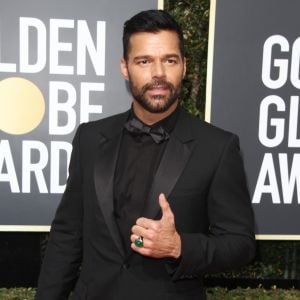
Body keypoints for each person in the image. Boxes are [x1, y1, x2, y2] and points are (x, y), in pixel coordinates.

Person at [36, 9, 255, 300]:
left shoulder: (217, 146)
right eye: (144, 61)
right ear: (125, 67)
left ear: (184, 66)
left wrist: (178, 247)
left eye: (170, 60)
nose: (159, 74)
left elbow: (240, 244)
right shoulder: (91, 137)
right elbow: (67, 234)